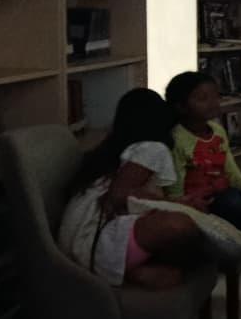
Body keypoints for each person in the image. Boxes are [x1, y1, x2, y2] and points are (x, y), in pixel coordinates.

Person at [58, 88, 203, 289]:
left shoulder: (115, 146)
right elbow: (119, 196)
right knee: (183, 227)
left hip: (76, 242)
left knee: (178, 259)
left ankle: (132, 269)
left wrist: (175, 203)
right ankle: (127, 268)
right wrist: (175, 205)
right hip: (95, 239)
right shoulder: (152, 148)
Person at [164, 71, 241, 233]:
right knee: (233, 203)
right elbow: (175, 184)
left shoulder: (217, 130)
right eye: (202, 98)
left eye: (216, 96)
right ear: (181, 106)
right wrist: (183, 206)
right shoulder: (177, 138)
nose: (213, 103)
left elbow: (231, 169)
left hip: (226, 190)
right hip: (205, 202)